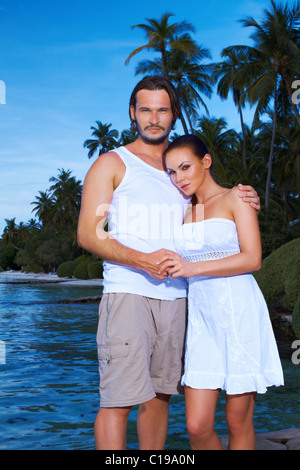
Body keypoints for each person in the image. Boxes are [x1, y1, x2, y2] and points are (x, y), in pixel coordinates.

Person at [77, 75, 261, 451]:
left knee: (160, 396)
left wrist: (247, 194)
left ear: (174, 114)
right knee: (117, 400)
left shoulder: (179, 168)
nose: (154, 118)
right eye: (146, 109)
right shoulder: (112, 163)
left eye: (163, 109)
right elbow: (88, 234)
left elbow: (216, 206)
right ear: (133, 113)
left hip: (181, 298)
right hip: (128, 293)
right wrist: (141, 260)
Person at [158, 134, 284, 450]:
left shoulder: (236, 198)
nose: (178, 178)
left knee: (237, 420)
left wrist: (192, 269)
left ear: (206, 161)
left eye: (185, 167)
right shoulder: (184, 210)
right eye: (172, 172)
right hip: (202, 322)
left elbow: (252, 258)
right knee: (197, 427)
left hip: (239, 312)